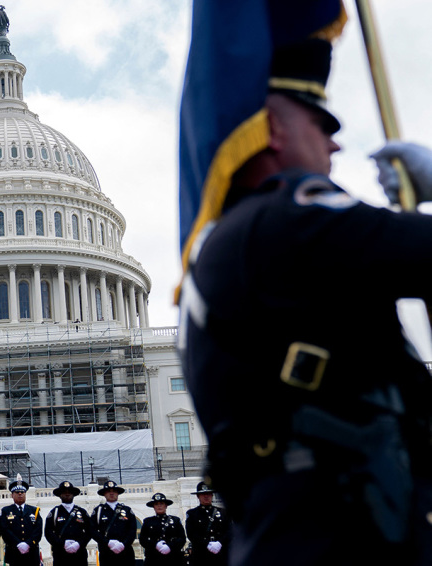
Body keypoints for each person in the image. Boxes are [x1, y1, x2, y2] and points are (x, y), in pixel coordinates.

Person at [178, 36, 432, 565]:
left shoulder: (228, 244)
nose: (335, 147)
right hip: (345, 529)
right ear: (272, 129)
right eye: (322, 126)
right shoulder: (294, 218)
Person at [0, 475, 43, 566]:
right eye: (17, 492)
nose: (20, 494)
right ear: (12, 495)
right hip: (14, 553)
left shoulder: (34, 510)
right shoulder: (6, 511)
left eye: (22, 492)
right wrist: (18, 544)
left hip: (31, 552)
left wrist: (28, 544)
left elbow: (38, 531)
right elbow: (5, 530)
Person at [44, 481, 92, 566]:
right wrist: (62, 544)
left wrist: (79, 544)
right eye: (64, 492)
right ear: (60, 495)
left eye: (69, 492)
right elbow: (48, 532)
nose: (67, 494)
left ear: (73, 494)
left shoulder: (82, 512)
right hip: (61, 555)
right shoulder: (54, 512)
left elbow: (90, 531)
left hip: (79, 554)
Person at [89, 480, 136, 566]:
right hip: (107, 553)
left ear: (117, 493)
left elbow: (132, 530)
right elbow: (92, 530)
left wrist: (123, 544)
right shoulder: (98, 511)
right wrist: (107, 542)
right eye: (108, 491)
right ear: (104, 494)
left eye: (114, 491)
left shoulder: (126, 510)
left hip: (125, 553)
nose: (111, 493)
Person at [184, 483, 230, 566]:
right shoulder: (192, 514)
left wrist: (220, 542)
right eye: (203, 494)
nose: (206, 496)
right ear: (198, 496)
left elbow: (229, 530)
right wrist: (207, 544)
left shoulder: (223, 512)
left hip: (221, 554)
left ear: (212, 495)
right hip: (201, 555)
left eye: (208, 494)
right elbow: (191, 534)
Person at [140, 493, 186, 566]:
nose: (159, 506)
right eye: (156, 504)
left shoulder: (175, 520)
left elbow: (182, 538)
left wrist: (170, 546)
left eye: (161, 503)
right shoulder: (148, 521)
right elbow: (143, 539)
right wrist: (156, 545)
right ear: (153, 507)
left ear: (166, 506)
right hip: (154, 559)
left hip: (174, 558)